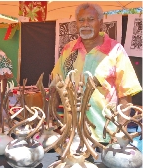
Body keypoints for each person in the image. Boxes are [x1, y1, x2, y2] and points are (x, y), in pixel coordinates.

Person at [51, 3, 142, 143]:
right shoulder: (68, 50)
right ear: (76, 24)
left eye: (91, 19)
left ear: (100, 22)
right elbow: (57, 86)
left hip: (105, 134)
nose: (85, 24)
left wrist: (121, 132)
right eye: (81, 20)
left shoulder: (115, 50)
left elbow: (125, 96)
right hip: (72, 136)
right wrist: (51, 121)